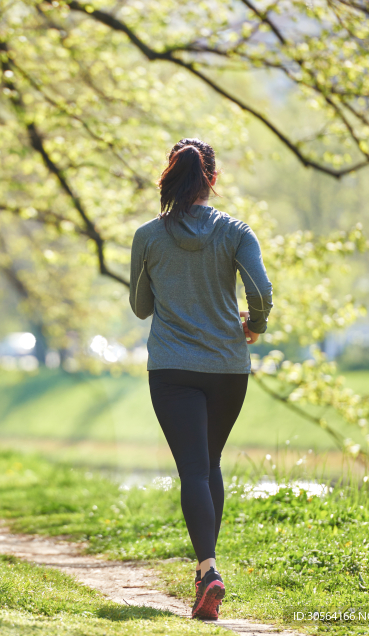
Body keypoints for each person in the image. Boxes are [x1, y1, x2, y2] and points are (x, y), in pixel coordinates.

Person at [128, 138, 272, 621]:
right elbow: (262, 290)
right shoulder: (235, 232)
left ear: (170, 176)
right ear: (212, 179)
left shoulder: (148, 235)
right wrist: (255, 324)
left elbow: (142, 307)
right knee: (209, 462)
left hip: (172, 367)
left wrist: (161, 276)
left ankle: (208, 570)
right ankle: (206, 571)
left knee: (193, 467)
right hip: (228, 367)